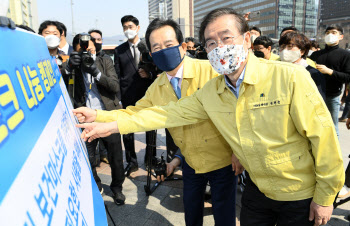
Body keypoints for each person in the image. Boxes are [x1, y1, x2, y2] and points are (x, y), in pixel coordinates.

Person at [75, 8, 344, 226]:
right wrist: (103, 120)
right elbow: (160, 114)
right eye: (212, 42)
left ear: (247, 39)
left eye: (227, 38)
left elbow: (324, 139)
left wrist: (325, 196)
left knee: (224, 215)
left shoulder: (288, 77)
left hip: (295, 192)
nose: (220, 48)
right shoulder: (212, 91)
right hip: (252, 187)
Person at [76, 18, 241, 226]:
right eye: (157, 47)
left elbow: (237, 112)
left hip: (222, 160)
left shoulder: (210, 71)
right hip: (190, 161)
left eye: (169, 45)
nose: (163, 51)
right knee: (191, 213)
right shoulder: (157, 86)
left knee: (224, 215)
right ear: (152, 55)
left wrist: (238, 150)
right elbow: (134, 112)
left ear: (182, 46)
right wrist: (97, 115)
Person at [63, 33, 126, 205]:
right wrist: (69, 67)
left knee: (115, 157)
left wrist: (96, 73)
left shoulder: (104, 61)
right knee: (88, 158)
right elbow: (58, 80)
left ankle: (117, 189)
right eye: (82, 50)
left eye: (90, 49)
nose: (87, 53)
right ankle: (96, 185)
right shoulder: (73, 65)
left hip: (107, 116)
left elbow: (114, 86)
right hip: (85, 119)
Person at [114, 15, 157, 176]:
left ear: (138, 28)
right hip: (128, 95)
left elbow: (159, 71)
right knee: (127, 130)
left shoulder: (149, 48)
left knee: (150, 128)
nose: (128, 30)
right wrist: (118, 98)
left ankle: (150, 160)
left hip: (148, 94)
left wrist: (150, 74)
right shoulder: (119, 50)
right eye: (125, 27)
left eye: (130, 26)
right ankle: (131, 162)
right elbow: (117, 75)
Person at [310, 25, 350, 136]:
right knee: (314, 126)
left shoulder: (345, 55)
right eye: (327, 33)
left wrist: (330, 72)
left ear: (341, 37)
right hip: (314, 95)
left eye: (333, 32)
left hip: (332, 96)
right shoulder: (316, 54)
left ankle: (334, 152)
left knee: (332, 127)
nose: (330, 35)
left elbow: (348, 77)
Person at [279, 31, 326, 100]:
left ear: (302, 51)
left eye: (289, 47)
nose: (284, 50)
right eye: (282, 47)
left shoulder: (312, 73)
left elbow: (319, 101)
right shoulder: (277, 70)